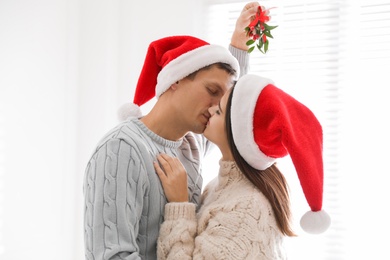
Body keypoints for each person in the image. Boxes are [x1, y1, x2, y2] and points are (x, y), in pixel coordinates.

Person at [83, 2, 262, 259]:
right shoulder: (121, 149)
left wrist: (239, 47)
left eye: (222, 101)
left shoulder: (192, 144)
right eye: (212, 92)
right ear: (176, 79)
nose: (216, 108)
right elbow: (112, 255)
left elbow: (234, 112)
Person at [155, 74, 332, 260]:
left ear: (237, 131)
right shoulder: (220, 186)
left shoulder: (247, 207)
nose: (211, 107)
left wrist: (180, 205)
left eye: (219, 111)